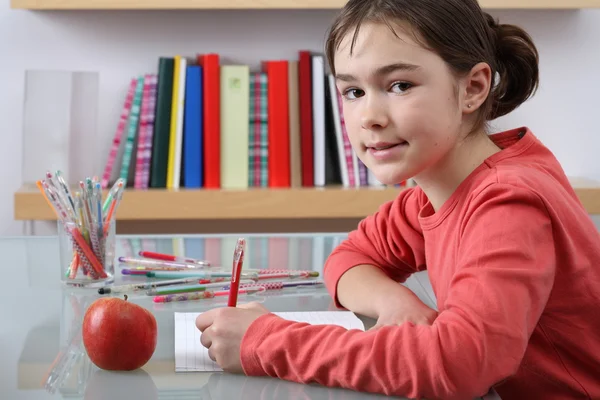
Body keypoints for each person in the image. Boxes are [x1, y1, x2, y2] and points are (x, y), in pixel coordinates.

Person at [195, 0, 600, 399]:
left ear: (472, 88)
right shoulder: (435, 192)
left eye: (399, 85)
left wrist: (266, 342)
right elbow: (349, 258)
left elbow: (459, 365)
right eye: (352, 91)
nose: (369, 116)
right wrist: (396, 303)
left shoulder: (507, 202)